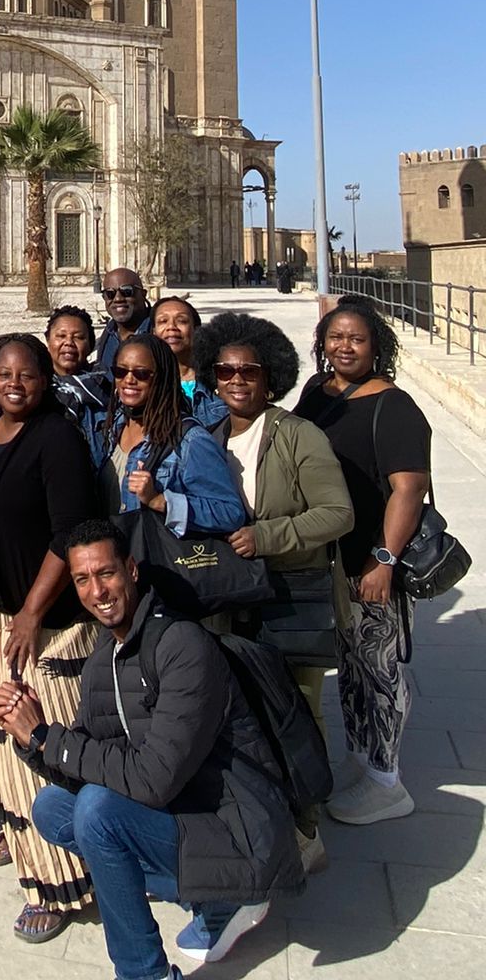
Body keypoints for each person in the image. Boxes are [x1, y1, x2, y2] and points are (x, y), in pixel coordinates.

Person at [0, 519, 301, 977]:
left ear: (131, 570)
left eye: (106, 573)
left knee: (98, 812)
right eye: (82, 579)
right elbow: (87, 763)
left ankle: (147, 972)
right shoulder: (104, 657)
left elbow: (152, 780)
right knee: (53, 808)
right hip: (184, 814)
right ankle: (211, 901)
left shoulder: (183, 646)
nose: (97, 591)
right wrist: (31, 739)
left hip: (239, 833)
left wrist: (47, 737)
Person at [193, 311, 354, 871]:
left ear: (271, 377)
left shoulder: (297, 435)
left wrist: (267, 536)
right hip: (232, 601)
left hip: (289, 594)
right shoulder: (208, 438)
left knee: (297, 711)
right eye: (226, 370)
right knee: (242, 712)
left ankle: (307, 826)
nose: (237, 380)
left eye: (250, 371)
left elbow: (337, 513)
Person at [0, 333, 101, 943]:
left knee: (37, 742)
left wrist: (31, 612)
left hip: (34, 623)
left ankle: (58, 880)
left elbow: (70, 532)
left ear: (46, 379)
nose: (15, 383)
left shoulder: (57, 438)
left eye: (28, 374)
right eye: (4, 373)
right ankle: (20, 837)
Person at [293, 294, 431, 826]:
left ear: (376, 345)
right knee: (351, 667)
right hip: (331, 560)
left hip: (371, 561)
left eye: (356, 338)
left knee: (379, 668)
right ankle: (364, 759)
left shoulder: (393, 406)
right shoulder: (319, 391)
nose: (345, 347)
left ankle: (387, 783)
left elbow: (408, 490)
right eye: (336, 337)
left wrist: (384, 560)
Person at [99, 334, 245, 534]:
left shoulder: (189, 440)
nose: (129, 380)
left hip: (155, 551)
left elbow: (230, 513)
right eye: (120, 371)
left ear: (162, 377)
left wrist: (160, 501)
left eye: (141, 373)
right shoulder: (113, 428)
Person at [150, 296, 228, 428]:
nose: (171, 327)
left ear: (196, 330)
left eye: (182, 321)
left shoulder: (220, 379)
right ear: (154, 332)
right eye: (163, 321)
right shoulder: (145, 381)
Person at [45, 305, 108, 444]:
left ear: (91, 345)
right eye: (61, 336)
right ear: (48, 341)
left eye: (78, 337)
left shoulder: (105, 387)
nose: (69, 343)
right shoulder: (38, 388)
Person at [94, 268, 151, 375]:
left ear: (143, 294)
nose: (118, 299)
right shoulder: (108, 334)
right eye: (110, 293)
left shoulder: (159, 331)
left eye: (127, 292)